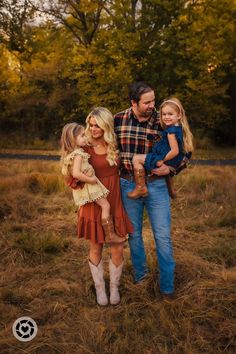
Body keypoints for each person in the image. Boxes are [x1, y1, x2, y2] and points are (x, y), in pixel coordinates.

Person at [114, 81, 191, 300]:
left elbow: (186, 151)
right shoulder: (118, 120)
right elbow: (107, 146)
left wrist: (172, 167)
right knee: (134, 235)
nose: (152, 106)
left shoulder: (164, 119)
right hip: (128, 183)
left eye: (153, 101)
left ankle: (167, 288)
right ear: (133, 103)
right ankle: (142, 279)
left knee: (163, 237)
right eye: (147, 102)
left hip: (156, 185)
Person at [76, 107, 133, 306]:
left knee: (117, 246)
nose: (93, 129)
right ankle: (100, 289)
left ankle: (114, 288)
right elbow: (71, 172)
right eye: (91, 125)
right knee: (96, 245)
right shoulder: (84, 147)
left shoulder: (115, 144)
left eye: (97, 125)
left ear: (106, 125)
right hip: (95, 201)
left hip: (115, 199)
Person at [61, 122, 125, 244]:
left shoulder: (71, 154)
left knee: (105, 206)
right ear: (73, 139)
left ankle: (109, 234)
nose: (85, 137)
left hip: (89, 186)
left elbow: (68, 171)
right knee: (106, 206)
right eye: (82, 136)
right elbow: (76, 174)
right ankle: (110, 235)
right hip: (91, 186)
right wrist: (91, 179)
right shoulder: (79, 154)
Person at [127, 97, 193, 199]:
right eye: (164, 114)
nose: (166, 117)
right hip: (173, 159)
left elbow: (174, 151)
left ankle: (141, 187)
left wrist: (161, 160)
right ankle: (171, 190)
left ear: (179, 115)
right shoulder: (179, 128)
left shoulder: (171, 131)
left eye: (170, 114)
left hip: (166, 157)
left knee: (136, 159)